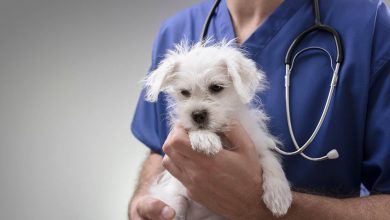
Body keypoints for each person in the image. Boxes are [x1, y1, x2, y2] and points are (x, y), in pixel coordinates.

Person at [129, 0, 390, 219]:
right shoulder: (176, 31)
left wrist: (258, 207)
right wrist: (143, 203)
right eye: (185, 94)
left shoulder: (368, 24)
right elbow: (158, 148)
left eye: (216, 89)